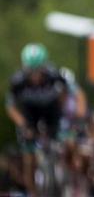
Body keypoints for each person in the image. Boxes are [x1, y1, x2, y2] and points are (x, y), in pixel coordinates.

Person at [6, 44, 68, 195]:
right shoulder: (17, 82)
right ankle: (33, 192)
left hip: (51, 112)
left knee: (64, 142)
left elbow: (64, 94)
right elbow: (11, 107)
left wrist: (61, 112)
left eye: (38, 69)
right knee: (29, 158)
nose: (35, 74)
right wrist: (23, 124)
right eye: (31, 70)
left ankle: (64, 179)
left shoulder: (55, 76)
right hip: (29, 115)